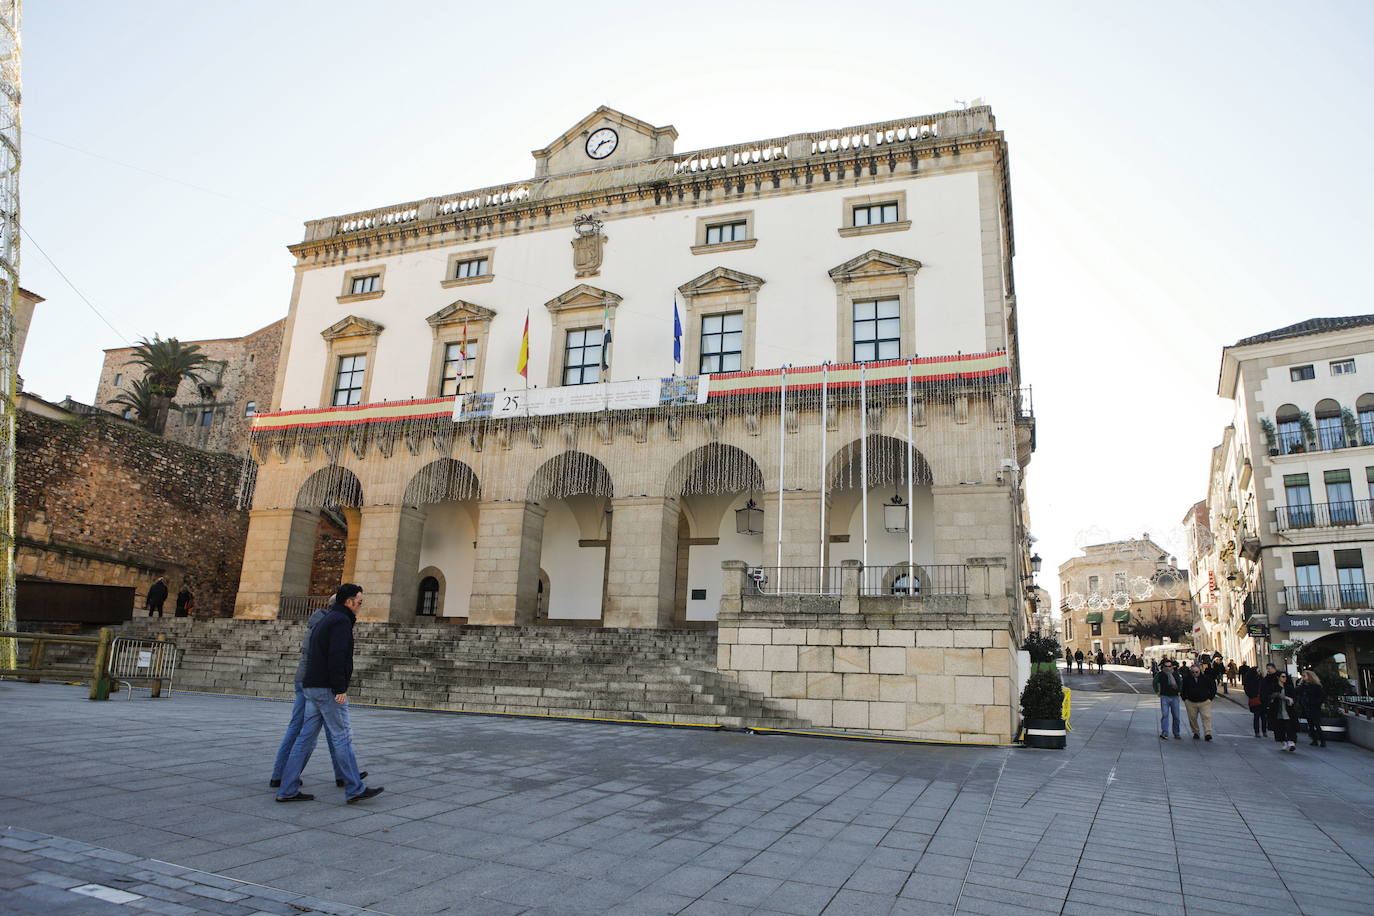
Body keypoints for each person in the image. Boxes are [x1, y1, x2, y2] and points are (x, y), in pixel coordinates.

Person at [275, 584, 383, 804]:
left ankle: (286, 788)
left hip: (312, 686)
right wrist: (339, 689)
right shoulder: (341, 622)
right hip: (326, 688)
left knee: (305, 740)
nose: (361, 607)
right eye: (359, 602)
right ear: (349, 602)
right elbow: (337, 656)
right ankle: (354, 788)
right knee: (342, 736)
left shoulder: (325, 619)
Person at [1181, 662, 1216, 741]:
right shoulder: (1187, 679)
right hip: (1191, 702)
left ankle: (1208, 733)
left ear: (1200, 671)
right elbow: (1183, 689)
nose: (1195, 674)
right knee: (1192, 718)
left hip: (1204, 702)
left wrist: (1210, 698)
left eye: (1196, 672)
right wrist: (1185, 699)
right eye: (1193, 672)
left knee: (1206, 717)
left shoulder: (1206, 678)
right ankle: (1196, 732)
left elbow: (1213, 688)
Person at [1296, 670, 1327, 748]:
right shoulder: (1303, 685)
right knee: (1310, 724)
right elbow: (1297, 691)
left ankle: (1322, 740)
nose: (1303, 677)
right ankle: (1314, 740)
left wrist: (1316, 703)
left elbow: (1322, 696)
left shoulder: (1316, 686)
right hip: (1307, 707)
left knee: (1316, 724)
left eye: (1304, 676)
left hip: (1314, 707)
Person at [1154, 659, 1183, 740]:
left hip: (1174, 697)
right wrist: (1157, 691)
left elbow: (1180, 683)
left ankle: (1176, 733)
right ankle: (1165, 732)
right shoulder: (1160, 674)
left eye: (1169, 666)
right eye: (1166, 666)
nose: (1168, 668)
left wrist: (1179, 691)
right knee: (1165, 715)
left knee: (1176, 716)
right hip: (1164, 696)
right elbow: (1154, 683)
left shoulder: (1176, 674)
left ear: (1172, 666)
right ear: (1163, 667)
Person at [1269, 672, 1299, 752]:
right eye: (1283, 677)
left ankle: (1291, 742)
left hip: (1288, 711)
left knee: (1290, 726)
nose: (1284, 678)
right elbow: (1271, 695)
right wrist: (1284, 697)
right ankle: (1283, 742)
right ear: (1278, 677)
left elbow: (1294, 697)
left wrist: (1292, 701)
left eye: (1285, 677)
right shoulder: (1274, 687)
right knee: (1279, 728)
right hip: (1277, 711)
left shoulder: (1288, 687)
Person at [1241, 663, 1266, 738]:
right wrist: (1252, 696)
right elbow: (1247, 689)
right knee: (1257, 716)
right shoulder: (1250, 680)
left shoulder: (1262, 679)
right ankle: (1257, 732)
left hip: (1262, 700)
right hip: (1255, 700)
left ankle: (1264, 731)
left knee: (1263, 717)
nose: (1259, 672)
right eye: (1258, 671)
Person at [1260, 663, 1281, 744]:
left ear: (1273, 668)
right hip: (1271, 702)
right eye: (1267, 668)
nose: (1267, 670)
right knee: (1274, 719)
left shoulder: (1279, 676)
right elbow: (1263, 689)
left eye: (1268, 668)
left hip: (1279, 700)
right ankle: (1278, 736)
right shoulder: (1267, 678)